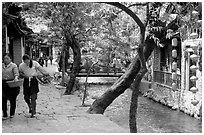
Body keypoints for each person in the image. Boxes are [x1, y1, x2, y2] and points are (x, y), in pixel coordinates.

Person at [2, 53, 20, 120]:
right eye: (4, 59)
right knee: (3, 99)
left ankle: (12, 113)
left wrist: (16, 78)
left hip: (11, 83)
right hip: (3, 83)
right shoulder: (1, 65)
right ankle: (5, 113)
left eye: (7, 58)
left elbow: (16, 74)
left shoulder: (13, 66)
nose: (5, 60)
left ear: (10, 59)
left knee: (12, 99)